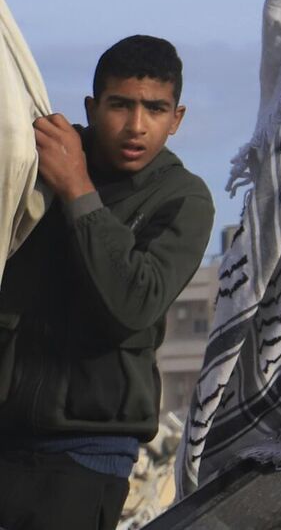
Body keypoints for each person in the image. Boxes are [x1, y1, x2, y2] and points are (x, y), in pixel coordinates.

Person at [0, 35, 214, 530]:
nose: (136, 125)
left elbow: (134, 304)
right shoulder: (35, 164)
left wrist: (77, 189)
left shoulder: (183, 199)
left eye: (155, 109)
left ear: (176, 119)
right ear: (92, 108)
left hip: (86, 452)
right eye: (120, 105)